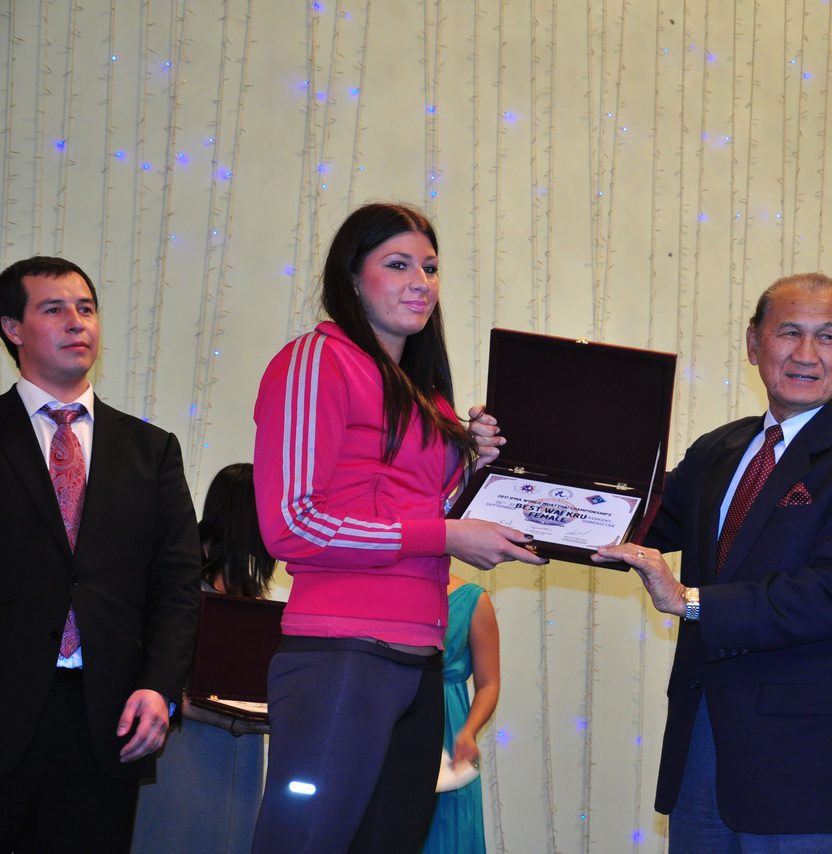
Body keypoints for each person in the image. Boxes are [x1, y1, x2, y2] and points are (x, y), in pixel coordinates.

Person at [250, 202, 545, 853]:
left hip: (420, 661)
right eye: (398, 264)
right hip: (342, 656)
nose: (421, 283)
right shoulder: (316, 360)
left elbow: (418, 511)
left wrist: (477, 469)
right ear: (352, 279)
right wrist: (447, 535)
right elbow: (293, 525)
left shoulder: (425, 395)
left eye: (430, 268)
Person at [596, 272, 832, 852]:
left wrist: (690, 601)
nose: (806, 353)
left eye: (826, 337)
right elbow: (629, 521)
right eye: (788, 332)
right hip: (703, 739)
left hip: (803, 760)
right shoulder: (719, 449)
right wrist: (508, 471)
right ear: (753, 343)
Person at [0, 255, 202, 852]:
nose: (77, 322)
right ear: (12, 328)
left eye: (86, 308)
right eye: (54, 308)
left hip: (107, 716)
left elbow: (178, 585)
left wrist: (159, 686)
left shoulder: (151, 450)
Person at [132, 462, 276, 854]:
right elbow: (164, 682)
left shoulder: (250, 597)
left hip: (237, 749)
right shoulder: (182, 586)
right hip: (186, 750)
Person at [421, 573, 500, 854]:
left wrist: (468, 731)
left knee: (446, 826)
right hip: (390, 718)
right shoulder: (380, 586)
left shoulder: (473, 599)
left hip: (447, 727)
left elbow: (489, 683)